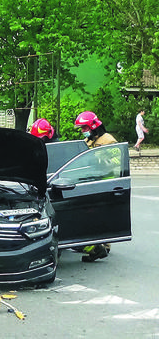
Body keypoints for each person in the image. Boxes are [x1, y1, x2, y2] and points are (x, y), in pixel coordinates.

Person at [73, 110, 116, 262]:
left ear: (94, 126)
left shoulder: (109, 141)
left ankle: (104, 246)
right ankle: (94, 245)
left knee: (102, 217)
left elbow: (116, 165)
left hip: (106, 184)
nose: (83, 132)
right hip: (90, 183)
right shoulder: (89, 141)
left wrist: (100, 159)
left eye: (84, 128)